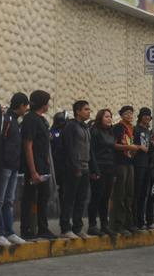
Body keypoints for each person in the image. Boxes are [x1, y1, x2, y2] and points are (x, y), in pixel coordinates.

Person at [0, 93, 29, 247]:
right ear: (21, 105)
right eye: (25, 106)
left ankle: (9, 231)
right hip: (5, 166)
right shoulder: (6, 120)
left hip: (14, 166)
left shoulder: (15, 121)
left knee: (9, 201)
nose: (26, 109)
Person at [19, 90, 55, 240]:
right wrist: (33, 171)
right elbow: (28, 145)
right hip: (34, 166)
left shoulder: (41, 120)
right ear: (42, 103)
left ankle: (42, 228)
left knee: (43, 197)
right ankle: (26, 229)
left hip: (43, 165)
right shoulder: (31, 120)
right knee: (29, 198)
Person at [59, 101, 95, 239]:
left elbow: (89, 149)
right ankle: (65, 228)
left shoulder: (85, 127)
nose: (88, 111)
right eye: (86, 109)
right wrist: (75, 167)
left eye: (89, 109)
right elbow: (68, 148)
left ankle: (77, 227)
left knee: (81, 199)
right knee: (69, 198)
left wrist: (93, 168)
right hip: (73, 168)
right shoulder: (71, 126)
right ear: (78, 111)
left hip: (85, 167)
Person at [111, 105, 142, 235]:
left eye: (131, 113)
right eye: (127, 113)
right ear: (122, 115)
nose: (129, 116)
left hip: (130, 162)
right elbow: (114, 145)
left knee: (129, 194)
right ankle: (118, 224)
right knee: (120, 194)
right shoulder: (118, 127)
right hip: (120, 163)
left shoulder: (132, 129)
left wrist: (134, 149)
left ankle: (129, 223)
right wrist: (128, 147)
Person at [88, 108, 116, 236]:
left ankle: (104, 224)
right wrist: (94, 169)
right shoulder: (94, 131)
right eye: (106, 116)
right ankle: (92, 224)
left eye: (110, 116)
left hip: (109, 167)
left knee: (106, 197)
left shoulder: (110, 132)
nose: (109, 119)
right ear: (100, 118)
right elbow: (91, 152)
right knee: (96, 196)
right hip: (99, 167)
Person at [133, 107, 153, 230]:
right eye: (145, 115)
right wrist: (139, 147)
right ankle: (134, 220)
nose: (147, 117)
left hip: (147, 165)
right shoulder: (135, 129)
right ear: (140, 116)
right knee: (136, 193)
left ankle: (141, 220)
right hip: (138, 164)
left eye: (149, 115)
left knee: (144, 194)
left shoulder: (148, 131)